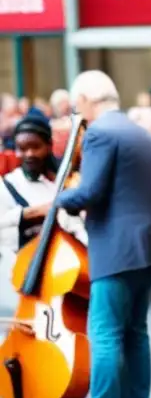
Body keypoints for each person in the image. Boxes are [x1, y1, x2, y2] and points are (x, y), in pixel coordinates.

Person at [52, 71, 151, 398]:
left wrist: (56, 199)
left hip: (118, 248)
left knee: (104, 335)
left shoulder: (101, 132)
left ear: (88, 98)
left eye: (77, 104)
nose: (77, 113)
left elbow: (91, 191)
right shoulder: (145, 135)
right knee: (136, 330)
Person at [0, 110, 88, 309]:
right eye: (22, 148)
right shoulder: (6, 185)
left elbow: (76, 225)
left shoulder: (59, 184)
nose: (29, 154)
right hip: (17, 273)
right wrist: (32, 212)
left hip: (58, 271)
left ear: (49, 146)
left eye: (35, 147)